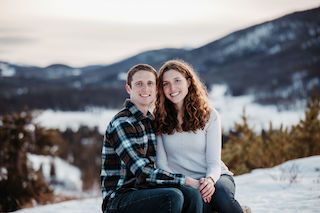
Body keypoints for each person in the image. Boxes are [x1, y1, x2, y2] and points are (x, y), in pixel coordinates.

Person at [101, 64, 204, 213]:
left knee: (192, 195)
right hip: (119, 199)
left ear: (156, 89)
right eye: (139, 84)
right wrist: (186, 180)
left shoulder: (150, 121)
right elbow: (142, 171)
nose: (145, 89)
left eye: (150, 83)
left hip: (146, 190)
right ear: (129, 89)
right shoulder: (122, 123)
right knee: (172, 196)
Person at [154, 60, 244, 213]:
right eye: (166, 84)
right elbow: (163, 165)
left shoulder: (209, 115)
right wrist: (191, 184)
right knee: (200, 204)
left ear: (188, 82)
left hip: (215, 177)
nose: (172, 88)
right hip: (185, 183)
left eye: (177, 81)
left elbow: (214, 162)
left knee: (221, 195)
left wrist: (209, 181)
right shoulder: (159, 119)